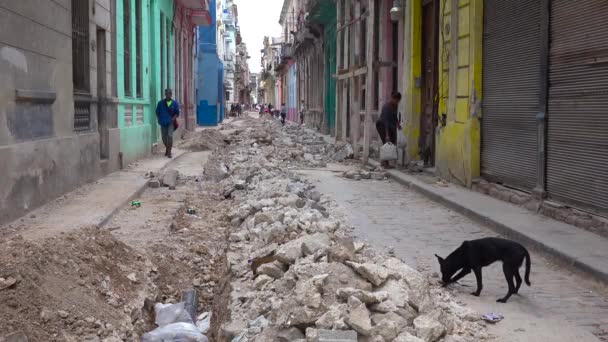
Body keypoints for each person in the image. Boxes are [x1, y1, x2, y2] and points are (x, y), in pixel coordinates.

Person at [376, 91, 402, 167]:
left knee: (392, 142)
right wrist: (387, 135)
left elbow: (395, 116)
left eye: (398, 101)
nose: (397, 102)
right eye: (396, 100)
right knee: (386, 142)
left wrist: (398, 124)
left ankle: (388, 161)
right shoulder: (386, 107)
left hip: (390, 126)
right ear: (392, 98)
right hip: (382, 126)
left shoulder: (395, 106)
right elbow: (385, 121)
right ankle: (384, 162)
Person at [156, 88, 180, 158]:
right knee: (164, 138)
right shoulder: (160, 103)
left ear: (171, 94)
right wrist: (159, 119)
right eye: (167, 93)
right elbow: (157, 112)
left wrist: (173, 119)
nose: (168, 95)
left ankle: (169, 152)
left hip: (170, 123)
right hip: (163, 122)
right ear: (165, 94)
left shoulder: (174, 103)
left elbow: (177, 113)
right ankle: (167, 148)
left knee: (169, 136)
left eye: (169, 93)